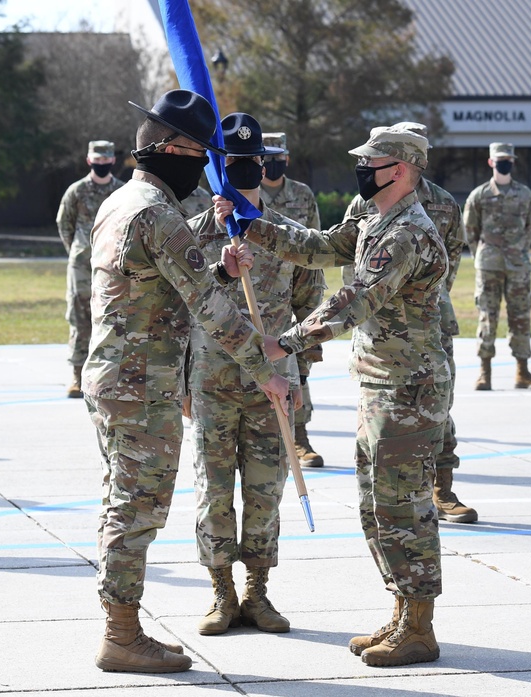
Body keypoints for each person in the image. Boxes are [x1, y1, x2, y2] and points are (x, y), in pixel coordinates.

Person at [215, 125, 448, 667]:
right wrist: (255, 226)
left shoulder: (405, 232)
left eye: (372, 162)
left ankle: (419, 627)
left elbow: (354, 299)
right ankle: (401, 612)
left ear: (402, 169)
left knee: (404, 508)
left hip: (408, 389)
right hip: (380, 383)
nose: (362, 169)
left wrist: (287, 342)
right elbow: (321, 248)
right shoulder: (371, 216)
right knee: (376, 507)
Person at [83, 90, 289, 674]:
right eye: (200, 155)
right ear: (172, 149)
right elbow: (213, 312)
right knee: (137, 509)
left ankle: (121, 624)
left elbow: (164, 272)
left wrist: (218, 263)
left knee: (121, 501)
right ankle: (121, 634)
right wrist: (267, 371)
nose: (203, 167)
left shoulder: (124, 201)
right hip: (142, 385)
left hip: (116, 377)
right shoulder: (155, 213)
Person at [186, 113, 307, 636]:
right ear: (220, 166)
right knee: (213, 489)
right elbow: (180, 300)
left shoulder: (286, 234)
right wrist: (219, 260)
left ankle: (257, 593)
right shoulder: (195, 233)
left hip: (272, 383)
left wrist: (294, 370)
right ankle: (221, 593)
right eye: (231, 164)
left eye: (249, 162)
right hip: (213, 379)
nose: (242, 171)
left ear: (263, 164)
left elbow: (308, 303)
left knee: (265, 489)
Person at [343, 122, 476, 524]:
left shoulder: (443, 204)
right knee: (388, 418)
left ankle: (443, 489)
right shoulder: (366, 201)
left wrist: (420, 300)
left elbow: (450, 258)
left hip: (429, 320)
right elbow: (351, 253)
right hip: (381, 325)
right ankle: (408, 494)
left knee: (437, 407)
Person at [261, 131, 328, 468]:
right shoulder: (246, 193)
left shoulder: (302, 194)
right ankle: (271, 436)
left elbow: (315, 243)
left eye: (278, 157)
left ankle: (300, 438)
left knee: (299, 362)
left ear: (286, 159)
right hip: (259, 287)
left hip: (296, 285)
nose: (273, 163)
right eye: (267, 157)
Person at [463, 142, 531, 391]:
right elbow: (470, 230)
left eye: (509, 158)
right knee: (487, 317)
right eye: (500, 159)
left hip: (518, 265)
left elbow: (529, 227)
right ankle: (484, 373)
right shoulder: (479, 195)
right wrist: (482, 254)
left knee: (520, 317)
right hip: (488, 264)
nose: (505, 162)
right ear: (491, 162)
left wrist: (519, 252)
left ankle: (522, 372)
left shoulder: (524, 194)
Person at [56, 140, 124, 398]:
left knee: (110, 319)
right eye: (98, 161)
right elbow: (65, 225)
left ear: (112, 161)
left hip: (113, 264)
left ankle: (106, 377)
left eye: (106, 161)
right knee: (79, 318)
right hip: (83, 266)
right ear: (89, 161)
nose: (102, 165)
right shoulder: (77, 191)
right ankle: (76, 376)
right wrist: (78, 250)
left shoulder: (120, 191)